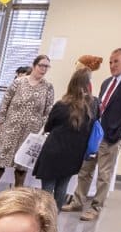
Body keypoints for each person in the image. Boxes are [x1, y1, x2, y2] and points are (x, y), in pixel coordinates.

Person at [63, 47, 121, 221]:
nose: (112, 65)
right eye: (110, 62)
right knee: (85, 170)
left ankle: (95, 207)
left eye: (116, 61)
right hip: (95, 134)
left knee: (103, 175)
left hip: (111, 136)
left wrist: (120, 135)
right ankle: (78, 201)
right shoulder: (107, 82)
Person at [0, 55, 54, 198]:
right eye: (41, 65)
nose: (43, 69)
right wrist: (1, 122)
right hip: (10, 127)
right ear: (34, 65)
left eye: (47, 66)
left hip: (31, 131)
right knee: (1, 159)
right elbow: (5, 102)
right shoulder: (18, 82)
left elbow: (48, 111)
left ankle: (18, 193)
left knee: (22, 164)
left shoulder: (48, 87)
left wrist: (41, 130)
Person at [33, 68, 99, 206]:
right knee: (62, 187)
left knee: (46, 190)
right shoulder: (93, 106)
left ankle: (45, 220)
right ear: (88, 85)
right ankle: (55, 218)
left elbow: (49, 126)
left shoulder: (61, 105)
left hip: (53, 152)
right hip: (74, 155)